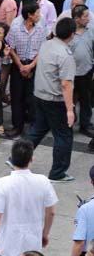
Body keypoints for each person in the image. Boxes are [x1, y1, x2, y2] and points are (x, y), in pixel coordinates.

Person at [25, 17, 77, 182]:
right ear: (72, 34)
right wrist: (70, 109)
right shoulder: (65, 55)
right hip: (55, 100)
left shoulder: (47, 45)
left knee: (38, 129)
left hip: (40, 95)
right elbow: (66, 84)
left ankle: (17, 158)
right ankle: (58, 173)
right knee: (64, 136)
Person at [5, 0, 45, 138]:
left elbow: (42, 49)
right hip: (18, 66)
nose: (40, 15)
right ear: (29, 15)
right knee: (17, 97)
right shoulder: (15, 29)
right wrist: (21, 66)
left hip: (34, 65)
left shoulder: (40, 29)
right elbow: (11, 49)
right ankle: (17, 126)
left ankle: (32, 126)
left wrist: (31, 66)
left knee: (32, 98)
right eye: (37, 13)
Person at [68, 5, 94, 138]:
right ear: (77, 18)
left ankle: (86, 125)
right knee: (70, 99)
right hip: (70, 73)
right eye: (85, 16)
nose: (88, 19)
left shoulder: (90, 30)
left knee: (86, 98)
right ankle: (69, 123)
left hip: (87, 71)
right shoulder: (68, 32)